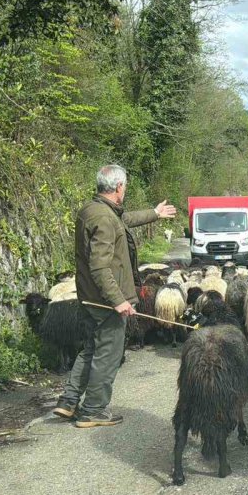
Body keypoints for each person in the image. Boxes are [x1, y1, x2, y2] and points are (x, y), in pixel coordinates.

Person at [54, 164, 176, 427]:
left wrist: (154, 213)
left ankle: (69, 401)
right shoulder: (106, 218)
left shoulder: (92, 210)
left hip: (88, 297)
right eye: (126, 186)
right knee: (107, 354)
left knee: (91, 349)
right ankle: (93, 411)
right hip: (104, 302)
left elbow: (124, 220)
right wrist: (118, 300)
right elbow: (100, 266)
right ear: (119, 187)